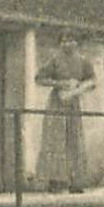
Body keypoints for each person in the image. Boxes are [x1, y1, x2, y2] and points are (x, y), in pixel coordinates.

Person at [35, 32, 96, 193]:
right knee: (55, 140)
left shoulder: (83, 62)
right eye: (64, 41)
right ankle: (55, 181)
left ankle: (75, 180)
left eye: (71, 40)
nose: (67, 44)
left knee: (74, 140)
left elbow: (92, 81)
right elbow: (39, 78)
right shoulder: (54, 60)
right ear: (60, 43)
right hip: (57, 103)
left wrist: (79, 88)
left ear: (77, 43)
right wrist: (60, 84)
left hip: (73, 104)